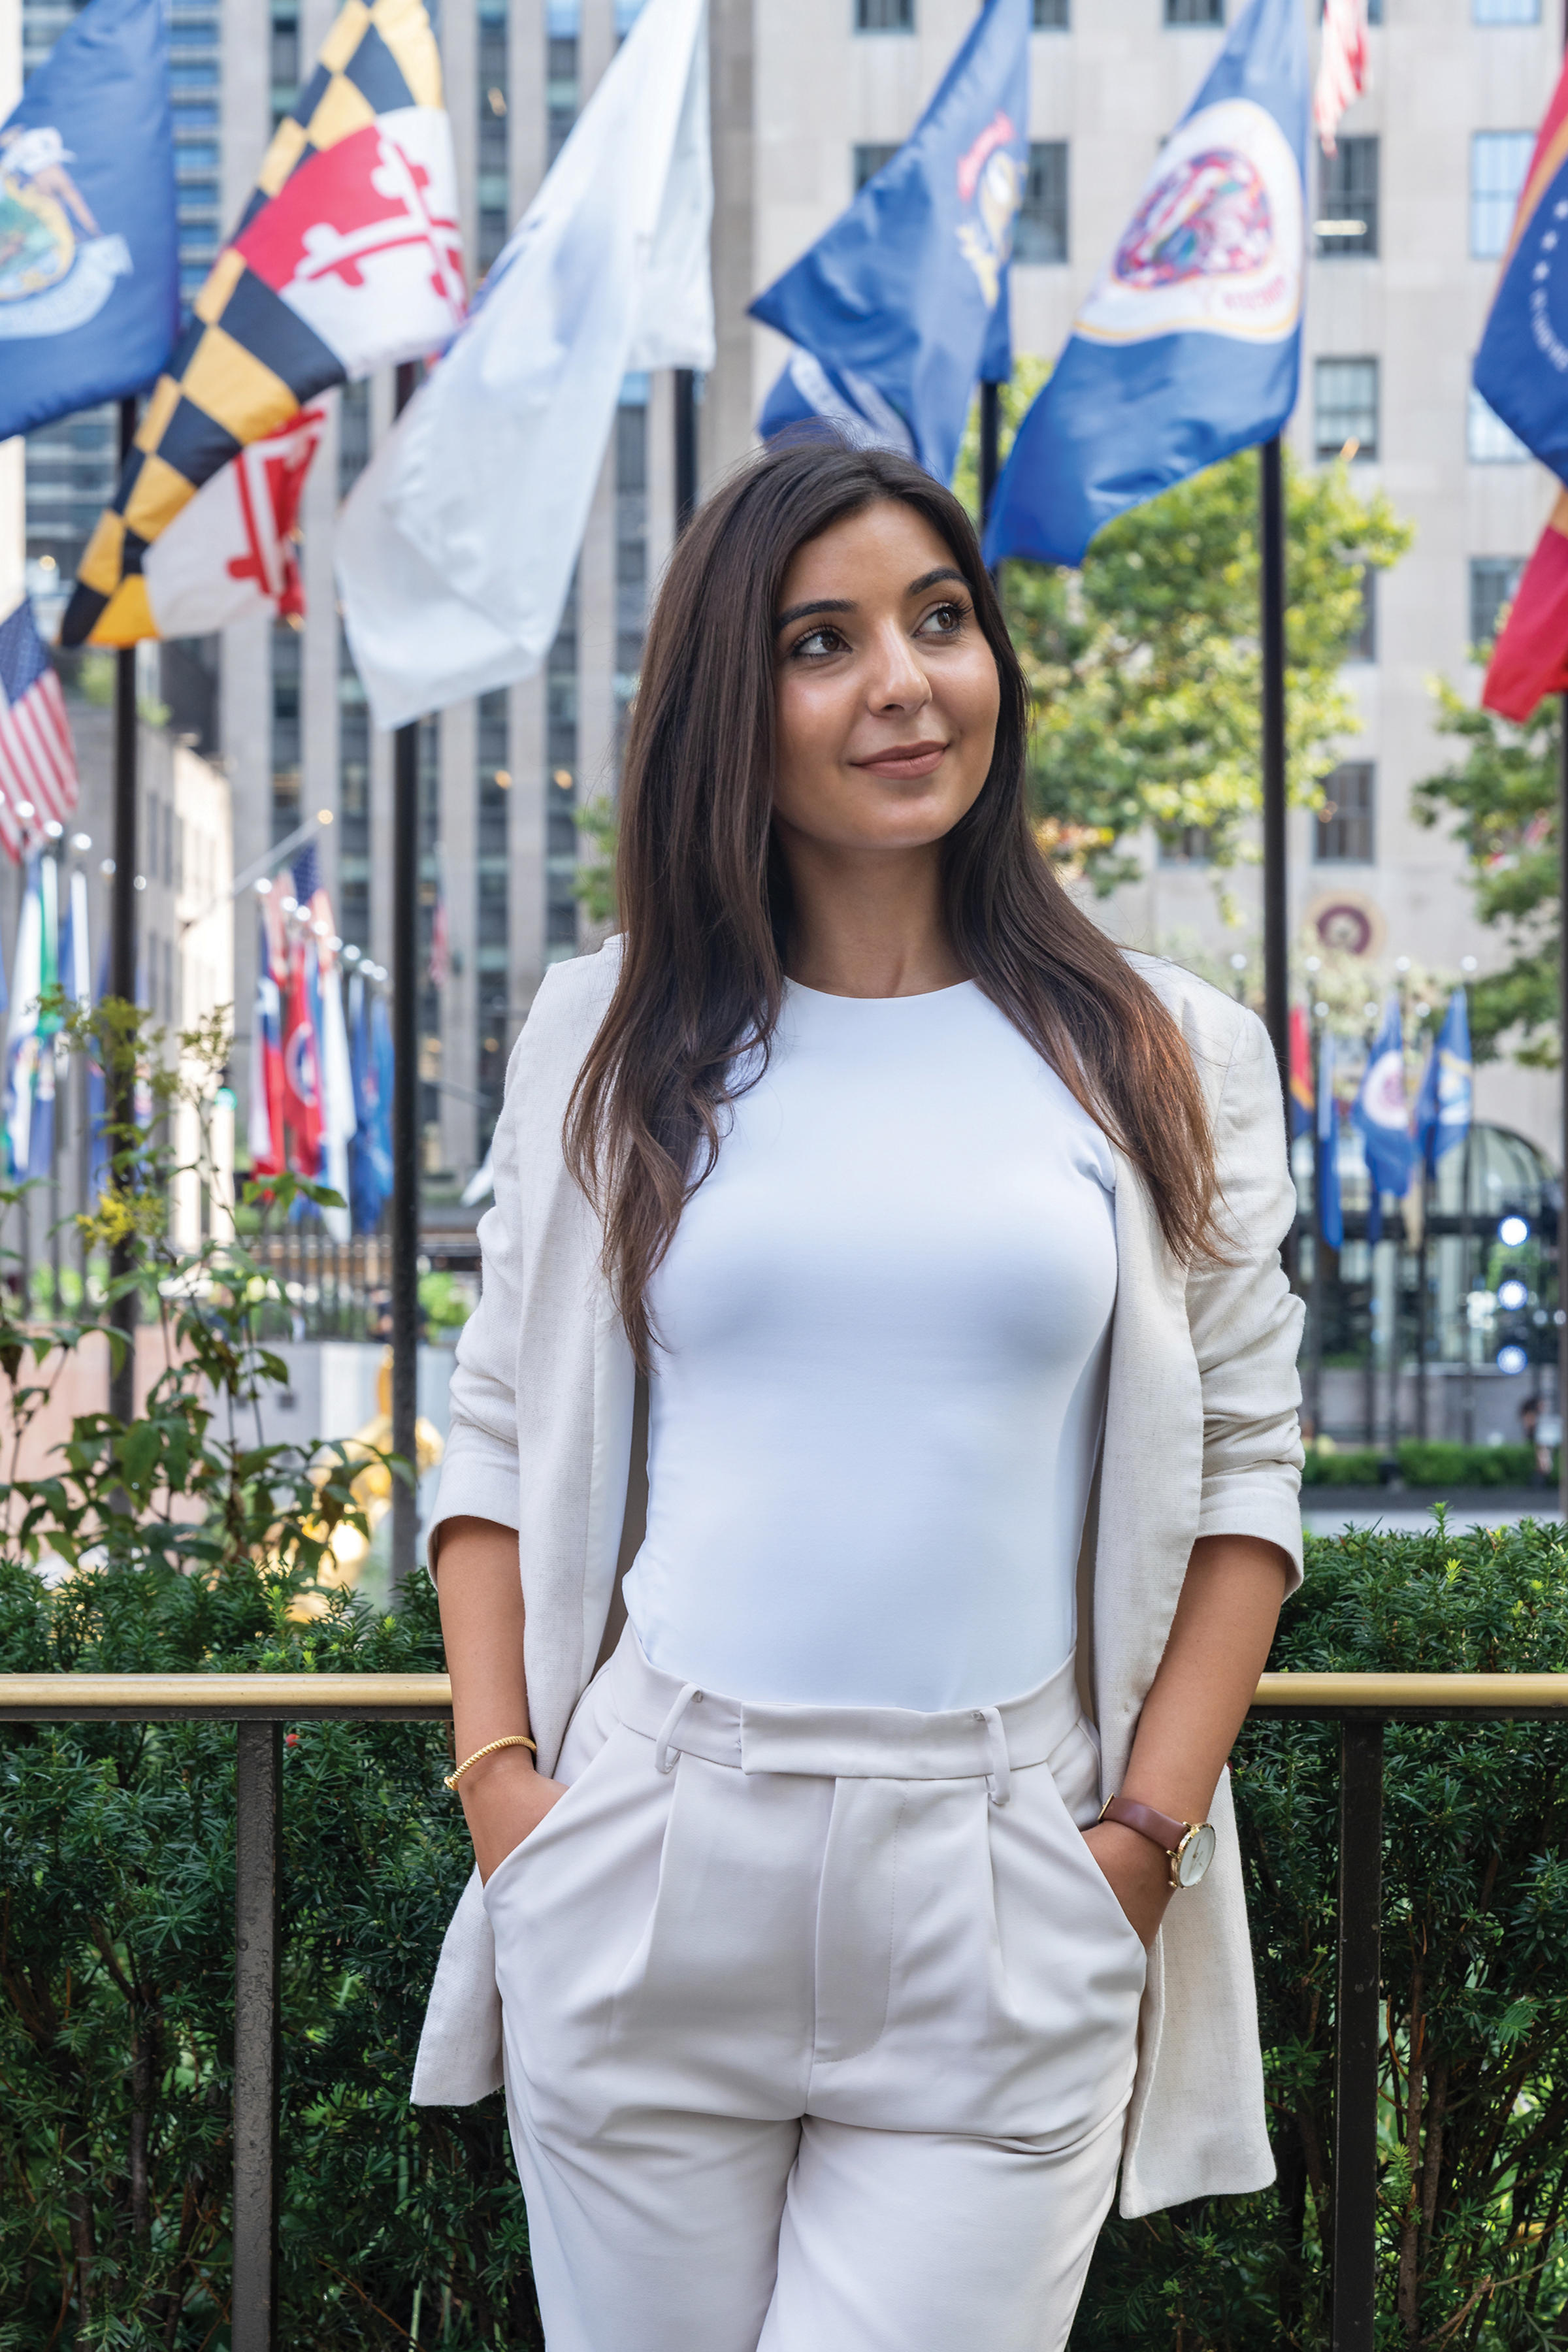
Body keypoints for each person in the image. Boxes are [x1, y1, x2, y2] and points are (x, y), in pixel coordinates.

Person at [412, 438, 1304, 2352]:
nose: (905, 680)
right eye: (824, 641)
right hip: (649, 1847)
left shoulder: (1161, 1052)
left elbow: (1246, 1476)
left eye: (942, 619)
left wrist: (1134, 1849)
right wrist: (516, 1809)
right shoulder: (609, 1033)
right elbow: (493, 1432)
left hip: (1008, 1875)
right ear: (735, 706)